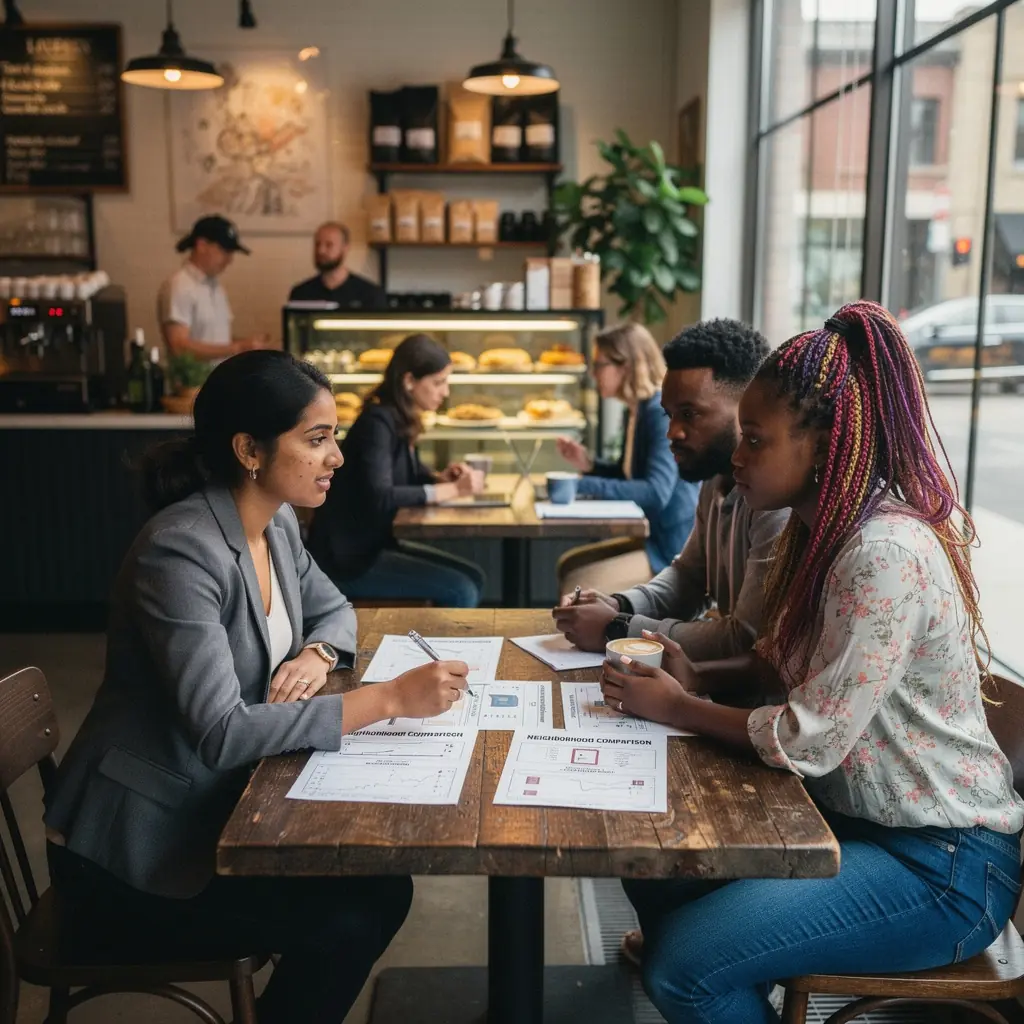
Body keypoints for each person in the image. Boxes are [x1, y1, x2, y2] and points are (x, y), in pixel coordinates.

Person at [601, 301, 1024, 1024]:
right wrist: (700, 678)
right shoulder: (818, 531)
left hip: (942, 866)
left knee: (683, 970)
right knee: (654, 863)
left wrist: (679, 707)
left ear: (825, 448)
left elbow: (810, 737)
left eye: (755, 441)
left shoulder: (880, 553)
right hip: (855, 825)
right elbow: (780, 664)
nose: (736, 457)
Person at [44, 350, 471, 1024]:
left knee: (377, 891)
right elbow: (221, 732)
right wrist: (385, 700)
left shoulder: (272, 523)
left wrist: (315, 651)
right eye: (317, 439)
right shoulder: (181, 551)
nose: (336, 458)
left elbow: (336, 607)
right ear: (249, 449)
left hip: (219, 807)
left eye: (333, 438)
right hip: (136, 856)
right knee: (361, 909)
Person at [553, 319, 786, 663]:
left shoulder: (775, 502)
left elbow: (745, 638)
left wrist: (618, 626)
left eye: (689, 414)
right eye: (670, 414)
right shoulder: (712, 479)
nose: (672, 432)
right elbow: (690, 577)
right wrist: (621, 605)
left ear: (746, 409)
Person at [308, 333, 487, 607]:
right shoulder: (376, 423)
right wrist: (452, 489)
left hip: (373, 547)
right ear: (409, 381)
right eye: (438, 382)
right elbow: (380, 496)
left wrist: (438, 478)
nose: (445, 392)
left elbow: (402, 476)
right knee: (463, 590)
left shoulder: (396, 418)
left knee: (475, 577)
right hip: (348, 560)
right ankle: (442, 649)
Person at [554, 322, 699, 594]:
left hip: (671, 548)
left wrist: (580, 485)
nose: (593, 373)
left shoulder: (658, 413)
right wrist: (590, 465)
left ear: (626, 366)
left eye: (599, 365)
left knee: (580, 584)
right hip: (648, 537)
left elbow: (655, 492)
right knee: (568, 565)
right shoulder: (636, 410)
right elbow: (632, 478)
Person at [158, 214, 268, 361]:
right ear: (202, 246)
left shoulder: (215, 287)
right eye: (225, 251)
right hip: (195, 383)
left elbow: (216, 341)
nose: (230, 260)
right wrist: (237, 347)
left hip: (218, 380)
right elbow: (179, 346)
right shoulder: (180, 286)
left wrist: (249, 345)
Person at [288, 221, 387, 309]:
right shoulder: (301, 294)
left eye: (329, 245)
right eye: (317, 244)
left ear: (345, 248)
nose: (321, 251)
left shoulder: (370, 294)